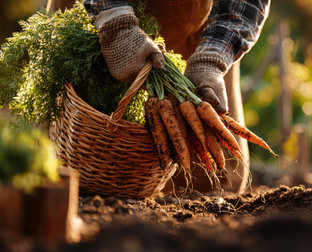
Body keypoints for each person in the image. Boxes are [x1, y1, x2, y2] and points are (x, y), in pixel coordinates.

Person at [46, 0, 270, 193]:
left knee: (220, 182)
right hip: (91, 25)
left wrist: (212, 58)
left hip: (197, 36)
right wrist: (116, 24)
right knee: (63, 172)